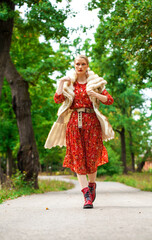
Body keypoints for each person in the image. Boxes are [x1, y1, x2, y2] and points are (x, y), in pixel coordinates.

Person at [44, 55, 114, 209]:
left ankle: (92, 185)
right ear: (74, 65)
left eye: (83, 64)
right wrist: (61, 83)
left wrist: (95, 95)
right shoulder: (70, 82)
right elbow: (58, 99)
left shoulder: (95, 82)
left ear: (87, 65)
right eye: (77, 64)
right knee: (77, 157)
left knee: (92, 157)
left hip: (92, 123)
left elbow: (109, 100)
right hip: (74, 123)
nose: (80, 67)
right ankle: (86, 195)